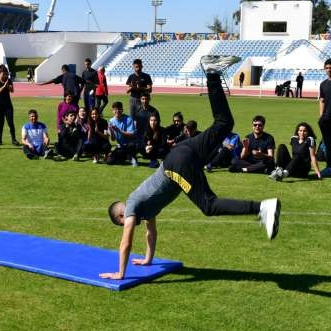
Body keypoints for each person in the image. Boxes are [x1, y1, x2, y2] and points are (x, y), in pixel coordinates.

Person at [99, 56, 280, 279]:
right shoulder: (145, 208)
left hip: (176, 166)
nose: (128, 224)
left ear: (120, 215)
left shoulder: (131, 208)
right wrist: (148, 259)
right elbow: (151, 233)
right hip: (181, 153)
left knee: (209, 205)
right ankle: (212, 74)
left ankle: (263, 208)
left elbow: (126, 242)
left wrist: (120, 273)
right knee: (224, 124)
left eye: (123, 222)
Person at [106, 101, 138, 166]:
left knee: (132, 145)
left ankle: (132, 157)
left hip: (129, 144)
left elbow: (132, 134)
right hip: (120, 145)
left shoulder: (128, 119)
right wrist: (111, 131)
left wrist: (118, 130)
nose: (117, 111)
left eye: (119, 109)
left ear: (122, 110)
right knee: (109, 161)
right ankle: (125, 157)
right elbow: (113, 139)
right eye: (115, 109)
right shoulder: (111, 121)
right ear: (112, 111)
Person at [0, 69, 20, 146]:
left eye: (6, 74)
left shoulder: (9, 80)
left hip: (8, 105)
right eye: (3, 74)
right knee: (0, 123)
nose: (5, 76)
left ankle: (14, 140)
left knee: (10, 122)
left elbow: (12, 90)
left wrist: (8, 85)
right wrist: (4, 86)